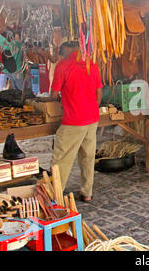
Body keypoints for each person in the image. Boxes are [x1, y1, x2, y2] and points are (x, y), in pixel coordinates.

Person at [50, 41, 103, 202]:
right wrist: (91, 108)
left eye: (62, 50)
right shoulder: (91, 64)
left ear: (68, 48)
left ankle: (55, 195)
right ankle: (87, 193)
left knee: (61, 159)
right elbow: (99, 93)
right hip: (92, 119)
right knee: (87, 156)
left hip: (73, 120)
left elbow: (53, 95)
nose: (61, 54)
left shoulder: (63, 65)